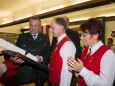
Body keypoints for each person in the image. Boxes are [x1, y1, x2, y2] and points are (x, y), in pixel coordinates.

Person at [67, 18, 115, 86]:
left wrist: (82, 70)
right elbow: (80, 75)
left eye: (84, 35)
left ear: (95, 36)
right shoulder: (85, 50)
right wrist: (75, 68)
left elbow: (106, 84)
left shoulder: (108, 54)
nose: (81, 38)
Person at [11, 16, 51, 86]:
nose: (33, 28)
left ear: (39, 26)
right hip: (25, 73)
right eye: (31, 25)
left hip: (40, 74)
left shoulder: (45, 38)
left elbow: (48, 53)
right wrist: (15, 60)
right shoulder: (22, 37)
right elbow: (16, 53)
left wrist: (41, 58)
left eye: (35, 26)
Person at [48, 17, 76, 86]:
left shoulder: (67, 44)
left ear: (61, 28)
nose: (51, 30)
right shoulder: (58, 42)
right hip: (54, 81)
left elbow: (67, 71)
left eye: (53, 28)